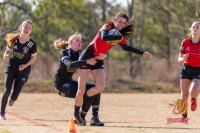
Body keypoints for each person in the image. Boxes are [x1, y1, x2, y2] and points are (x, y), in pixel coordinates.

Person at [74, 12, 153, 123]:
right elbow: (104, 36)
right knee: (80, 90)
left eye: (124, 23)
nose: (121, 25)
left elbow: (125, 47)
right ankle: (77, 115)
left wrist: (142, 52)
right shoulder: (107, 26)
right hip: (88, 56)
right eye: (120, 21)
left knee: (100, 88)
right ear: (115, 20)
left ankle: (86, 98)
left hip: (99, 59)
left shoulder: (119, 35)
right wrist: (116, 36)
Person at [54, 33, 106, 126]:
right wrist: (86, 61)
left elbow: (92, 59)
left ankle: (94, 118)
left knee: (96, 89)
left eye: (81, 41)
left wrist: (101, 56)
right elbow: (69, 64)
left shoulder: (80, 54)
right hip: (61, 85)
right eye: (77, 40)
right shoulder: (64, 53)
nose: (80, 43)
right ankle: (79, 116)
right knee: (87, 92)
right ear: (70, 42)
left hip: (70, 82)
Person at [0, 20, 37, 120]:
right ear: (21, 27)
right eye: (25, 27)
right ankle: (2, 113)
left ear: (31, 31)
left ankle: (13, 97)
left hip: (23, 70)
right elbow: (6, 53)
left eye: (29, 28)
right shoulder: (14, 39)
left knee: (14, 97)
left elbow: (34, 58)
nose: (26, 29)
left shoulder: (31, 44)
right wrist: (6, 56)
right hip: (12, 67)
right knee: (6, 90)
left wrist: (25, 65)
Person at [178, 21, 200, 118]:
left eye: (197, 28)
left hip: (198, 69)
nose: (194, 30)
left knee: (193, 92)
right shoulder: (185, 42)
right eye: (193, 27)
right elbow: (179, 58)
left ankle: (194, 98)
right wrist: (183, 58)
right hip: (186, 68)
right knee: (184, 95)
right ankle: (184, 116)